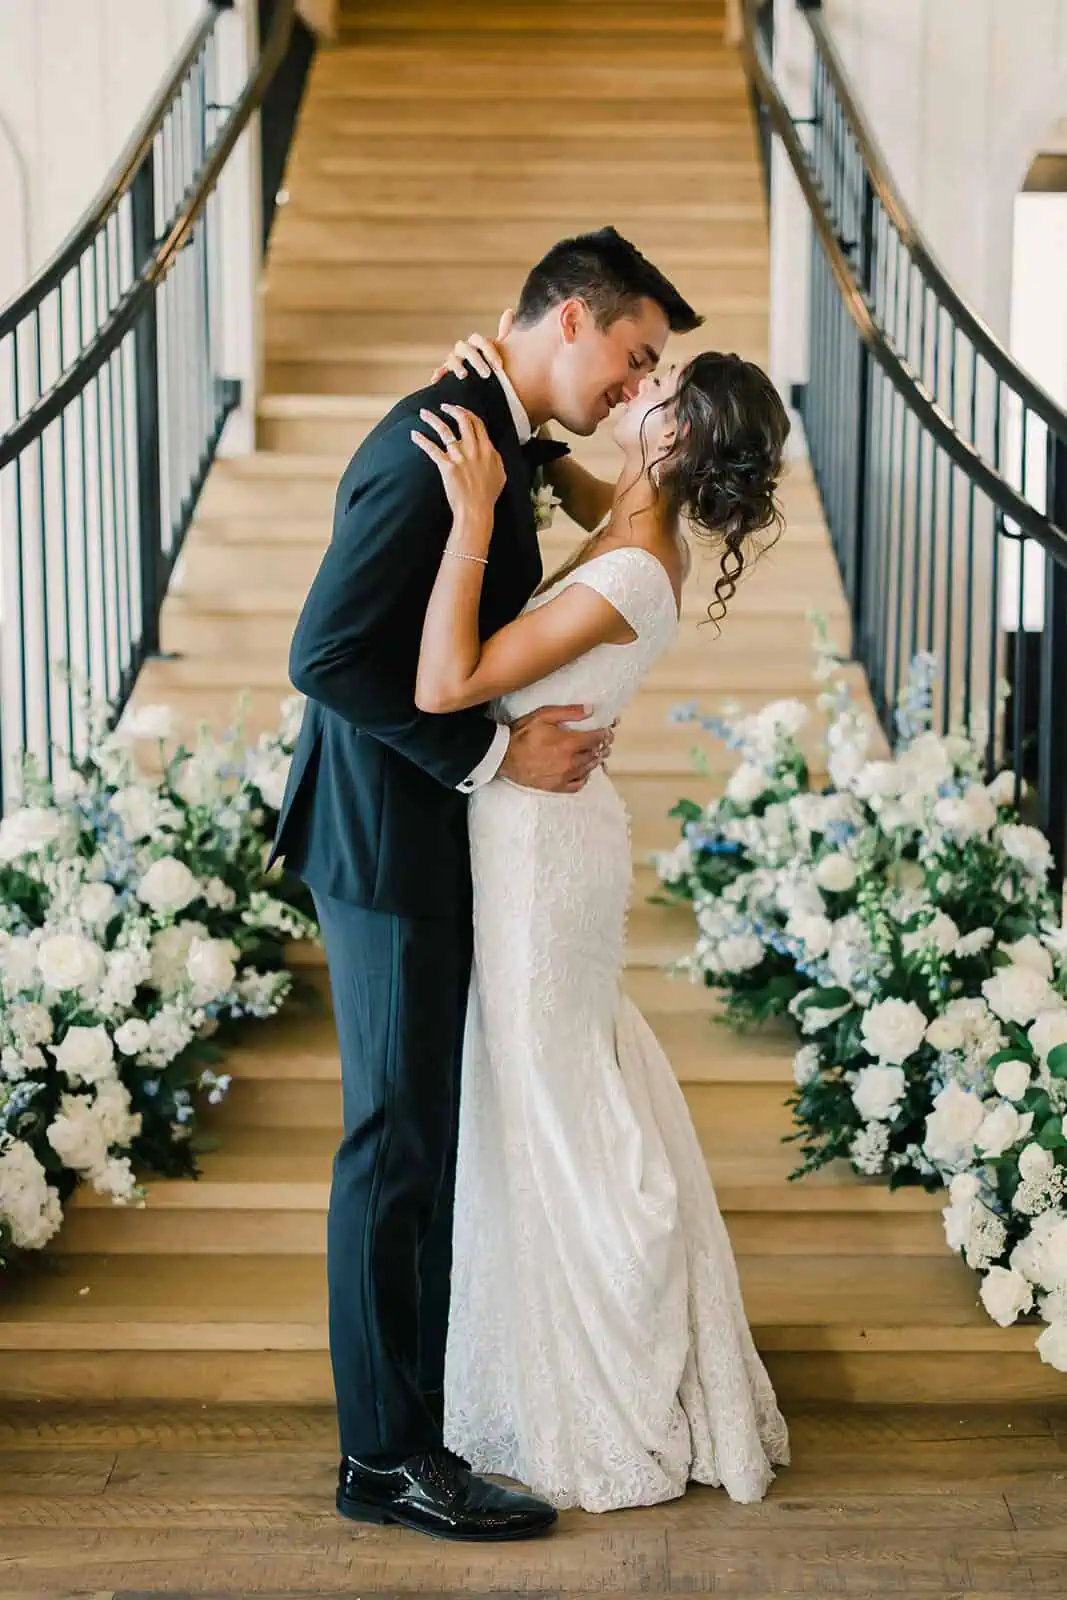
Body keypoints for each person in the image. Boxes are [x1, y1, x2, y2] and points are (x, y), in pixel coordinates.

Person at [270, 227, 703, 1542]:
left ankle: (416, 1427)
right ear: (568, 318)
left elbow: (597, 515)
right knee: (391, 1148)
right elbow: (324, 653)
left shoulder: (489, 429)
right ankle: (385, 1462)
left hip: (432, 835)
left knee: (419, 1143)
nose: (634, 386)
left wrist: (535, 449)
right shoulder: (439, 436)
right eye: (628, 356)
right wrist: (488, 745)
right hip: (390, 840)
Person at [411, 328, 792, 1512]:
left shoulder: (632, 572)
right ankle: (543, 1350)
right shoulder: (630, 518)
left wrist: (473, 523)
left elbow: (443, 685)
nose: (635, 387)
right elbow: (577, 481)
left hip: (540, 853)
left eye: (657, 388)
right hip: (544, 833)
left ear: (674, 437)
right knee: (546, 1088)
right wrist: (504, 411)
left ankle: (598, 1374)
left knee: (550, 1102)